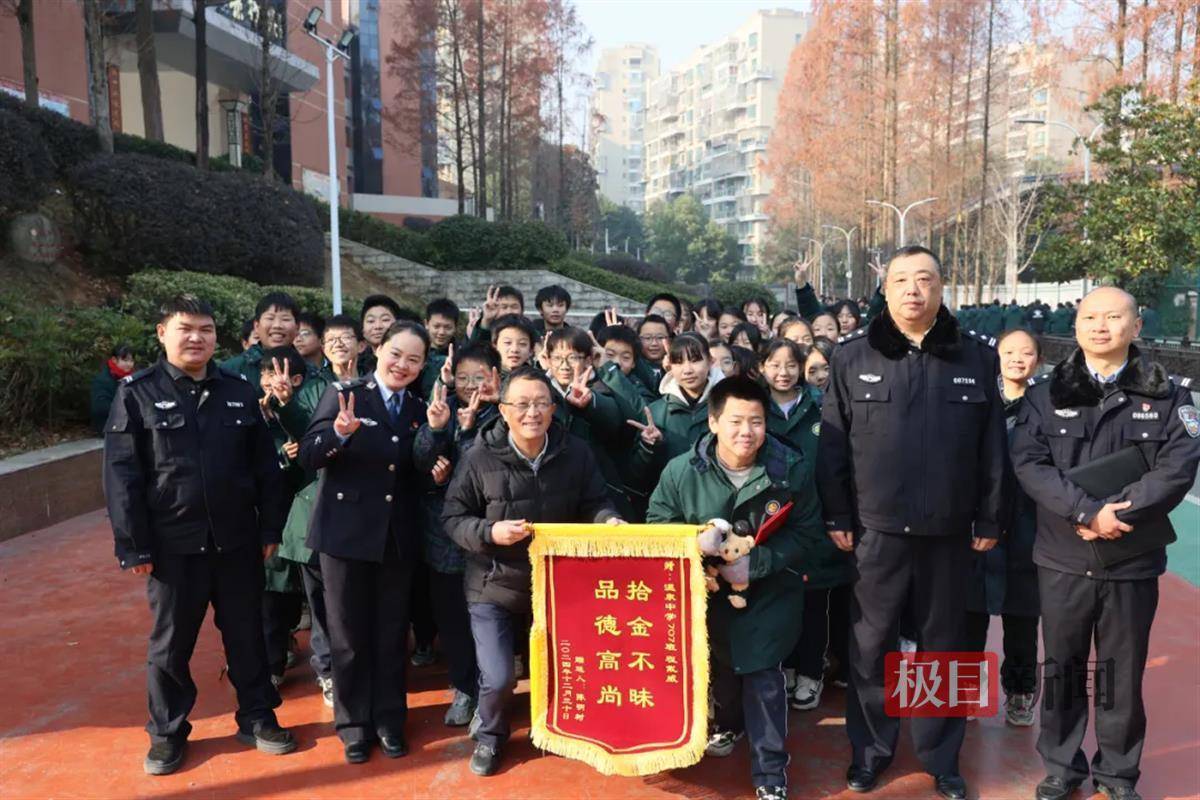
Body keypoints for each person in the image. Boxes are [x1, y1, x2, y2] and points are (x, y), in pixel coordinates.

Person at [817, 245, 1006, 800]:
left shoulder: (975, 357)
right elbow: (833, 446)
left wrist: (991, 515)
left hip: (949, 531)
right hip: (874, 532)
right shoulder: (853, 356)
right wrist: (837, 512)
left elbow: (993, 448)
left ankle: (940, 756)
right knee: (871, 645)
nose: (913, 291)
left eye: (924, 280)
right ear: (886, 289)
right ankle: (871, 752)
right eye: (901, 280)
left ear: (941, 288)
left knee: (942, 646)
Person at [1012, 287, 1200, 800]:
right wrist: (1087, 512)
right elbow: (1029, 463)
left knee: (1121, 672)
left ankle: (1117, 773)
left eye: (1113, 317)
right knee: (1063, 667)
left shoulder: (1168, 396)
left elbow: (1177, 467)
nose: (1100, 326)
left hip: (1130, 558)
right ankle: (1061, 766)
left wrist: (1120, 514)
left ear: (1135, 326)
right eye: (1090, 317)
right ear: (1076, 326)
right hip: (1064, 557)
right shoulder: (1045, 395)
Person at [103, 294, 296, 776]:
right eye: (185, 328)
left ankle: (258, 716)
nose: (196, 338)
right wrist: (133, 546)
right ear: (162, 333)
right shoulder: (136, 393)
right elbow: (122, 475)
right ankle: (167, 732)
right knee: (170, 645)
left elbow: (265, 467)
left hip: (237, 541)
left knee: (248, 636)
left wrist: (270, 527)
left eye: (205, 329)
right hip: (173, 547)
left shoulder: (238, 390)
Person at [646, 376, 824, 800]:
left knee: (763, 676)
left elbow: (808, 534)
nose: (747, 432)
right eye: (735, 421)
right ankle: (727, 724)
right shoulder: (681, 470)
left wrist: (755, 563)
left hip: (770, 592)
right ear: (713, 422)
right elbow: (658, 526)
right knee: (722, 668)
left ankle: (770, 772)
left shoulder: (790, 469)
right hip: (706, 594)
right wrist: (696, 545)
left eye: (756, 422)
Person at [441, 366, 621, 776]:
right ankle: (490, 735)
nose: (532, 413)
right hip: (493, 584)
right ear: (503, 410)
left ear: (553, 408)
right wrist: (490, 532)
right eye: (521, 404)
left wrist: (607, 520)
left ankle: (565, 729)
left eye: (541, 403)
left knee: (569, 668)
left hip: (558, 585)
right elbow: (452, 518)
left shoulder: (575, 452)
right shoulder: (478, 457)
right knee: (499, 677)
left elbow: (595, 501)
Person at [298, 320, 445, 764]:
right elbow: (309, 455)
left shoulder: (419, 408)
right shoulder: (345, 394)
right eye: (396, 353)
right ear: (377, 350)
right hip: (345, 535)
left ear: (422, 366)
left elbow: (417, 471)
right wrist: (340, 434)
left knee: (391, 633)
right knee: (347, 636)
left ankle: (389, 720)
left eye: (414, 359)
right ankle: (353, 726)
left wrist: (437, 455)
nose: (402, 364)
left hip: (395, 538)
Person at [274, 314, 362, 708]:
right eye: (332, 339)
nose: (340, 344)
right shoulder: (310, 389)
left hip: (365, 509)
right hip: (317, 504)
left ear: (362, 344)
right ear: (323, 348)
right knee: (322, 602)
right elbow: (307, 439)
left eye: (347, 337)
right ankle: (328, 671)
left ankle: (362, 665)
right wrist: (286, 405)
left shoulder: (377, 383)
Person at [420, 343, 503, 728]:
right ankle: (464, 688)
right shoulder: (441, 407)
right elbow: (419, 459)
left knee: (489, 623)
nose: (471, 385)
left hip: (489, 534)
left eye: (479, 377)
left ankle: (489, 696)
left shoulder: (505, 413)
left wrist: (468, 433)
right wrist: (438, 432)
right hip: (445, 535)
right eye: (464, 377)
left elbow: (491, 467)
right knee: (452, 621)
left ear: (495, 378)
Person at [965, 328, 1043, 728]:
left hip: (1028, 529)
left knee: (1022, 620)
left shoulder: (1046, 406)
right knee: (969, 616)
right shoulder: (977, 399)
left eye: (1026, 353)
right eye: (1009, 351)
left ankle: (1019, 692)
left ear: (1038, 361)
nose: (1016, 359)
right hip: (978, 525)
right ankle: (965, 690)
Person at [627, 333, 724, 492]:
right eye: (678, 362)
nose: (687, 370)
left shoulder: (729, 405)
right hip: (672, 500)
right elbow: (637, 477)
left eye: (695, 360)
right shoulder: (656, 412)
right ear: (669, 366)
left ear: (711, 361)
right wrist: (648, 447)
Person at [221, 292, 301, 389]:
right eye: (270, 318)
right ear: (256, 326)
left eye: (285, 319)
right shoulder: (231, 370)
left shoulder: (310, 372)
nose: (277, 325)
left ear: (297, 327)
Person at [91, 343, 136, 434]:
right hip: (109, 426)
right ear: (114, 360)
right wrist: (127, 409)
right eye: (125, 360)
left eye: (131, 361)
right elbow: (100, 408)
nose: (129, 364)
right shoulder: (103, 380)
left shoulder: (134, 377)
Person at [358, 294, 401, 375]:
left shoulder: (407, 360)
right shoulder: (357, 363)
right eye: (371, 321)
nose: (378, 326)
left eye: (385, 320)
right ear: (362, 328)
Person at [634, 314, 673, 394]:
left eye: (660, 337)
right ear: (638, 339)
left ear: (669, 339)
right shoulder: (632, 366)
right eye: (647, 338)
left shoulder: (678, 366)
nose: (654, 343)